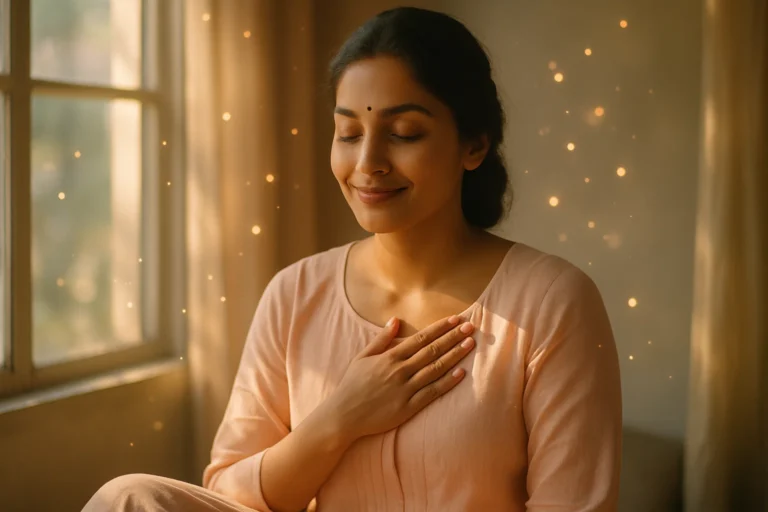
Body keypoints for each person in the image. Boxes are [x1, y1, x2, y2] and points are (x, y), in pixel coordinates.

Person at [83, 6, 621, 512]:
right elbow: (230, 492)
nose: (368, 164)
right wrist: (340, 417)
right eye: (348, 133)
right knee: (129, 498)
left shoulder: (553, 302)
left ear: (474, 146)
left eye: (404, 134)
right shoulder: (294, 293)